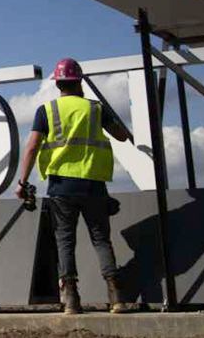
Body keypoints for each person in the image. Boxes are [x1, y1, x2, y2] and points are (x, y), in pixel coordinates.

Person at [14, 57, 132, 315]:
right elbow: (122, 135)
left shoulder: (47, 111)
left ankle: (71, 301)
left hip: (61, 187)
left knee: (65, 241)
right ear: (79, 82)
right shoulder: (96, 109)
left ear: (57, 84)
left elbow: (32, 147)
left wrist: (22, 182)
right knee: (101, 239)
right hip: (93, 185)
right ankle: (117, 297)